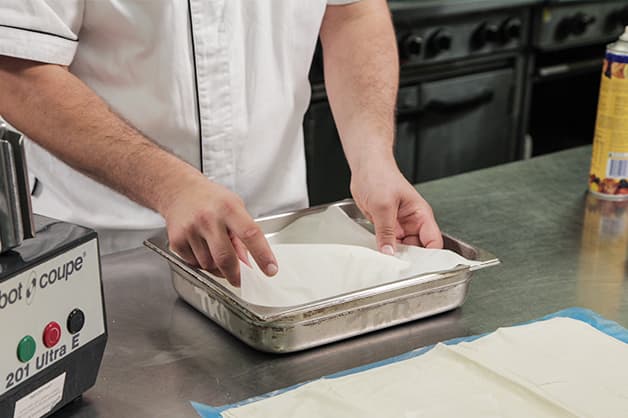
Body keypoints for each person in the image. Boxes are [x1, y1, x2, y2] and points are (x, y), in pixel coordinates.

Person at [0, 0, 442, 287]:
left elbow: (352, 11)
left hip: (276, 240)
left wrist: (373, 159)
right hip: (104, 256)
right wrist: (170, 186)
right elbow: (16, 69)